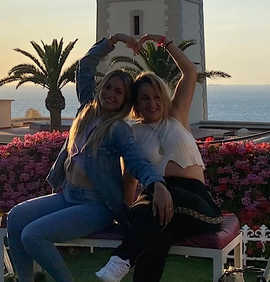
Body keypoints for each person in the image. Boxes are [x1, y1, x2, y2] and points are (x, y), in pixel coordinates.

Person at [6, 34, 172, 282]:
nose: (111, 94)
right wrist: (111, 41)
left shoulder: (118, 129)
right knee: (15, 218)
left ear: (125, 101)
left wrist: (157, 183)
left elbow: (138, 163)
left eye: (119, 92)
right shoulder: (86, 109)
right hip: (68, 195)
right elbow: (84, 66)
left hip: (95, 206)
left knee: (33, 235)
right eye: (108, 87)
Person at [95, 33, 223, 282]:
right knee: (156, 234)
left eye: (155, 96)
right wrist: (124, 209)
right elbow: (130, 177)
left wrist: (165, 42)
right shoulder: (131, 132)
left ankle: (121, 259)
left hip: (194, 200)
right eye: (144, 98)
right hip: (154, 200)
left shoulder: (177, 115)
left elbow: (189, 73)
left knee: (159, 201)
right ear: (136, 102)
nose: (151, 103)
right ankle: (120, 267)